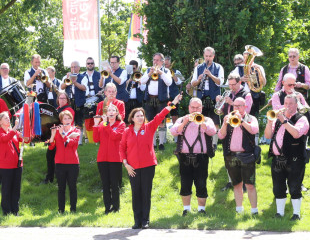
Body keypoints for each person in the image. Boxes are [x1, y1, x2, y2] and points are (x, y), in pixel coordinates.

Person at [120, 93, 184, 229]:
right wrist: (126, 164)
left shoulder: (149, 127)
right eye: (137, 115)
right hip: (132, 167)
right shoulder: (127, 131)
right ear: (132, 118)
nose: (140, 117)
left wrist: (173, 103)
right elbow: (122, 149)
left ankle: (145, 221)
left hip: (148, 166)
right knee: (136, 193)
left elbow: (160, 115)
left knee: (145, 193)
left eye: (142, 115)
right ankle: (137, 221)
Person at [264, 94, 309, 220]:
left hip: (295, 159)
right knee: (278, 187)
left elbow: (296, 133)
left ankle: (296, 214)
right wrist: (269, 122)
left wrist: (284, 120)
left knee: (294, 186)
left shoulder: (302, 119)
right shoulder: (278, 120)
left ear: (296, 105)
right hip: (278, 159)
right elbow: (267, 136)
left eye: (290, 104)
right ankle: (279, 213)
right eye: (286, 103)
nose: (288, 106)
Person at [170, 97, 217, 216]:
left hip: (201, 157)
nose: (195, 110)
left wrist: (202, 123)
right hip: (184, 157)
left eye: (197, 107)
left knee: (201, 183)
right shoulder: (181, 119)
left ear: (201, 108)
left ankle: (201, 209)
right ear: (189, 107)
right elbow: (173, 132)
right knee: (185, 183)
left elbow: (212, 131)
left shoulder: (206, 119)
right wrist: (185, 122)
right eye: (193, 107)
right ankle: (186, 209)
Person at [218, 97, 260, 216]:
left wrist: (241, 121)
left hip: (247, 156)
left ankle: (254, 211)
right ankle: (239, 209)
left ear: (245, 107)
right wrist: (225, 123)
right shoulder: (228, 118)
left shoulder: (251, 118)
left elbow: (254, 130)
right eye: (235, 106)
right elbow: (221, 136)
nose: (236, 108)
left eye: (239, 106)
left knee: (250, 185)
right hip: (231, 156)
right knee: (236, 184)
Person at [93, 102, 126, 213]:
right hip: (102, 158)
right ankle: (107, 207)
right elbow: (96, 139)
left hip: (115, 158)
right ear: (106, 113)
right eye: (109, 110)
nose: (111, 112)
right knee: (105, 184)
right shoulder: (103, 124)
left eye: (113, 110)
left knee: (114, 184)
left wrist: (106, 124)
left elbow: (114, 136)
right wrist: (96, 125)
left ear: (117, 113)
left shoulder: (121, 124)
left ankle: (116, 207)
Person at [47, 110, 82, 213]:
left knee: (72, 187)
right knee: (61, 188)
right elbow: (51, 147)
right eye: (65, 119)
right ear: (61, 121)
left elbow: (72, 145)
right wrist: (53, 134)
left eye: (69, 118)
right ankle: (61, 210)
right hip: (60, 163)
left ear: (72, 119)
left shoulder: (76, 131)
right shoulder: (58, 131)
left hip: (73, 163)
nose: (67, 120)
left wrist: (63, 134)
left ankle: (73, 209)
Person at [0, 111, 23, 216]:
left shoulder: (12, 131)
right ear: (0, 122)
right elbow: (6, 138)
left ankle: (15, 210)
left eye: (8, 118)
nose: (8, 119)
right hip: (6, 165)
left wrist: (26, 135)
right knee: (7, 188)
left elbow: (23, 139)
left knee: (16, 188)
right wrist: (15, 128)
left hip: (17, 163)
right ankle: (6, 211)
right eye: (5, 118)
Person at [140, 52, 173, 150]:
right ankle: (153, 144)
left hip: (161, 99)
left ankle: (161, 143)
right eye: (154, 60)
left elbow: (169, 82)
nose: (155, 62)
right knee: (150, 121)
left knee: (161, 121)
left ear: (162, 62)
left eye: (157, 60)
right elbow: (142, 81)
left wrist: (160, 73)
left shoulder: (166, 71)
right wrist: (150, 73)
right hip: (150, 99)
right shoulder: (148, 70)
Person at [43, 92, 75, 184]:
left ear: (67, 100)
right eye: (60, 98)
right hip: (54, 137)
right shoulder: (56, 109)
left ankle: (59, 179)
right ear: (57, 100)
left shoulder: (69, 110)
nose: (62, 100)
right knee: (50, 156)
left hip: (62, 137)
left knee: (57, 159)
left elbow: (69, 124)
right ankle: (50, 178)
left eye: (64, 98)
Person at [191, 47, 225, 128]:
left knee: (215, 122)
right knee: (200, 121)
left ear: (213, 56)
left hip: (214, 97)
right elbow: (193, 84)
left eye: (210, 56)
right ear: (203, 56)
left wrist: (210, 75)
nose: (208, 58)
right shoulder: (198, 67)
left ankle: (214, 140)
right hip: (201, 98)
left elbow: (220, 82)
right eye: (206, 56)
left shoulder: (218, 67)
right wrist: (199, 79)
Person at [77, 57, 101, 142]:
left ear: (94, 64)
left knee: (97, 118)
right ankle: (88, 138)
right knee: (87, 119)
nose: (90, 65)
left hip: (97, 98)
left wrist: (101, 92)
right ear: (86, 65)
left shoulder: (99, 74)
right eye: (88, 63)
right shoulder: (82, 75)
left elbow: (103, 86)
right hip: (86, 100)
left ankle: (97, 137)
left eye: (91, 63)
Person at [61, 60, 85, 130]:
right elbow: (62, 87)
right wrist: (68, 79)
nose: (73, 69)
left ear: (79, 68)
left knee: (78, 121)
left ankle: (79, 140)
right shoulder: (66, 77)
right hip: (69, 101)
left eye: (75, 67)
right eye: (72, 67)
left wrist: (75, 82)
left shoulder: (83, 77)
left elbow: (84, 88)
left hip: (79, 101)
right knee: (68, 119)